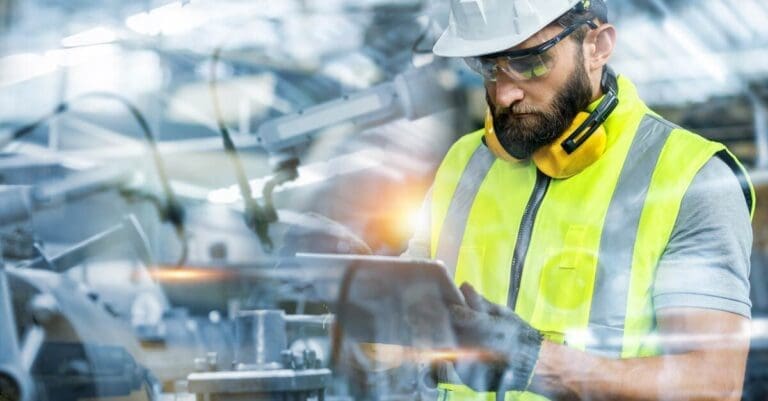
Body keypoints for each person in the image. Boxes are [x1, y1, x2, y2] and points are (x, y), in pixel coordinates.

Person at [404, 0, 757, 400]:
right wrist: (342, 289)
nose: (503, 94)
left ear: (598, 47)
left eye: (530, 63)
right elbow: (408, 331)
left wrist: (536, 363)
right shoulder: (464, 163)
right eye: (488, 66)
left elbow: (713, 384)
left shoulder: (689, 178)